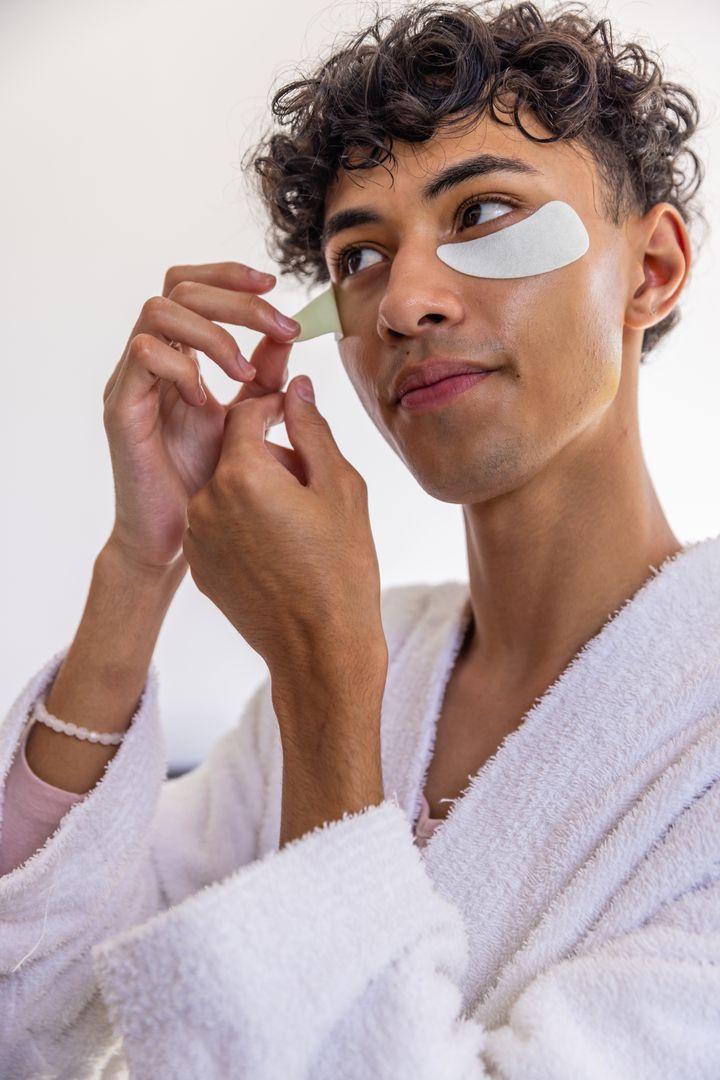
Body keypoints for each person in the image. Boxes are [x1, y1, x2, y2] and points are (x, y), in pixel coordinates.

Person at [2, 1, 718, 1076]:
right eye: (359, 256)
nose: (404, 302)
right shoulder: (363, 663)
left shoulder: (337, 661)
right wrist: (142, 564)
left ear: (653, 269)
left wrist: (327, 681)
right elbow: (36, 1017)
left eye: (481, 213)